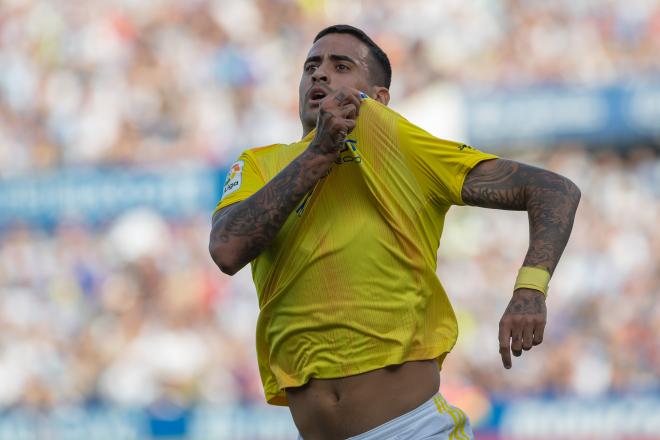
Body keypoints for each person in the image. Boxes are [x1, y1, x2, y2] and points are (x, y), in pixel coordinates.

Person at [209, 24, 581, 440]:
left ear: (379, 99)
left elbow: (554, 190)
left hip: (413, 430)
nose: (320, 74)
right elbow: (226, 250)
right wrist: (318, 154)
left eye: (341, 65)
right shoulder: (260, 164)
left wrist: (529, 289)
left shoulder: (400, 146)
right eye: (311, 66)